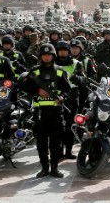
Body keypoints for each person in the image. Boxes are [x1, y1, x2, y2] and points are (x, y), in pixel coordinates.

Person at [19, 44, 71, 178]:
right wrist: (37, 90)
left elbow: (68, 90)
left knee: (56, 142)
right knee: (41, 142)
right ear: (41, 56)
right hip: (40, 112)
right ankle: (44, 168)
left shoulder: (60, 71)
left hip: (56, 112)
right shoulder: (35, 71)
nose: (46, 57)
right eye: (44, 55)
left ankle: (54, 168)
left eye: (49, 55)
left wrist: (62, 97)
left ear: (53, 56)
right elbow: (24, 86)